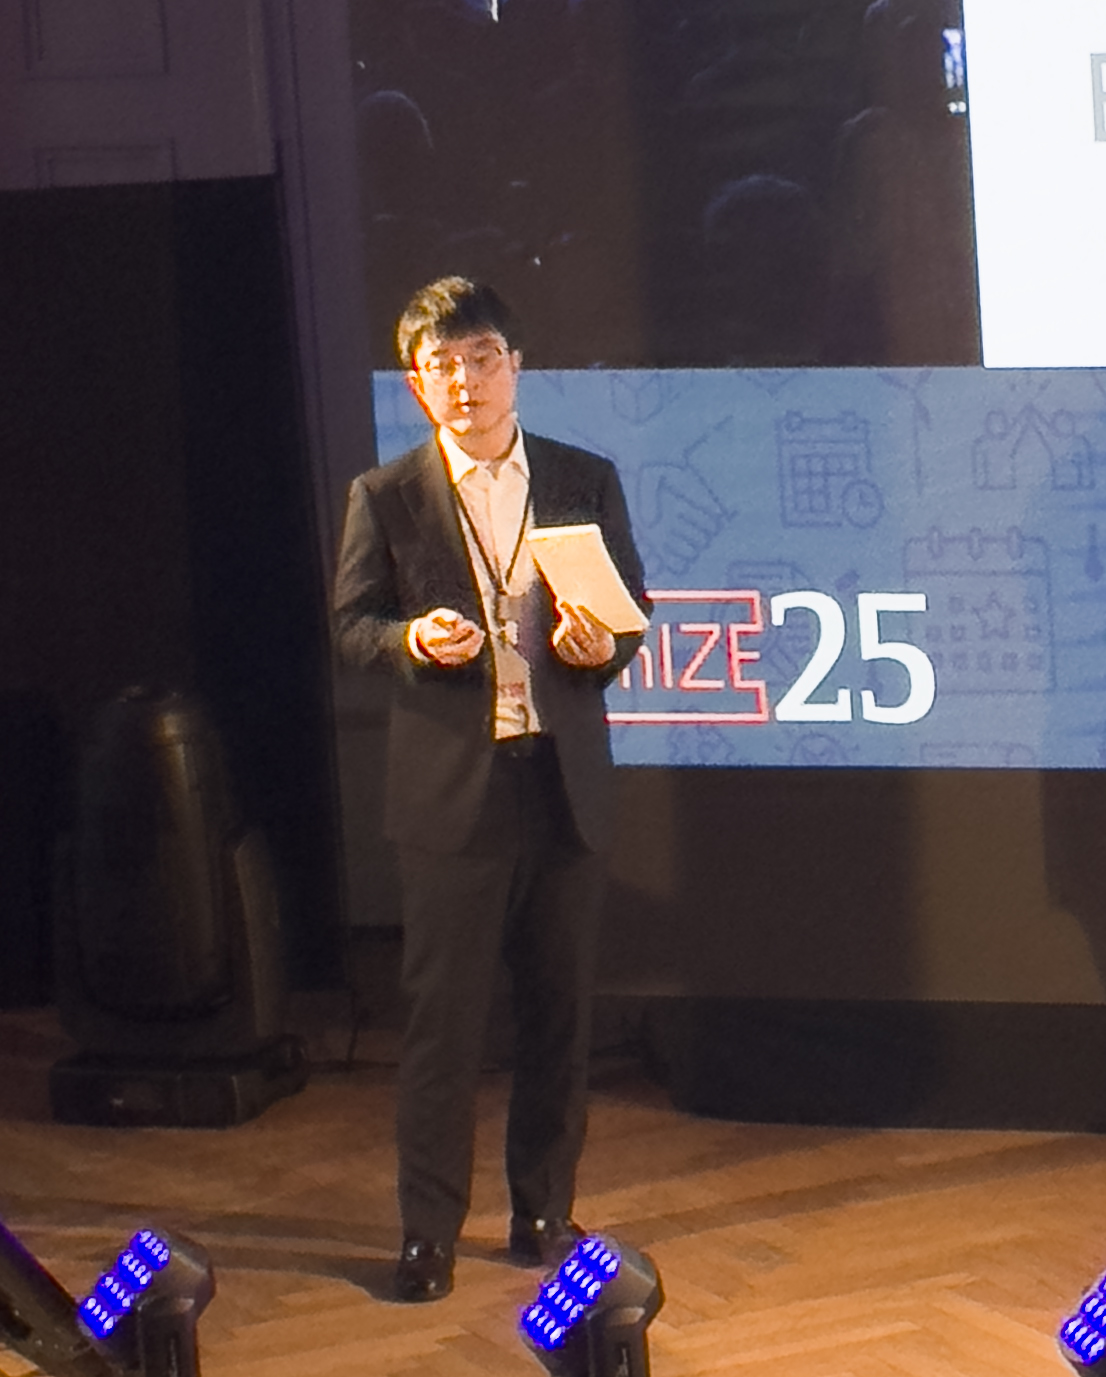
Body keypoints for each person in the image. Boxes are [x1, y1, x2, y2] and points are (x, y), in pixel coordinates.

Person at [330, 278, 650, 1303]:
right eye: (442, 366)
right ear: (417, 384)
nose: (464, 381)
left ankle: (543, 1211)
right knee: (444, 1031)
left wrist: (601, 648)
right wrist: (412, 640)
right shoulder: (386, 495)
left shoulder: (581, 477)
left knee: (560, 1017)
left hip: (561, 784)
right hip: (451, 798)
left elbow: (630, 614)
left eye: (480, 359)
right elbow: (351, 628)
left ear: (515, 364)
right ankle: (428, 1234)